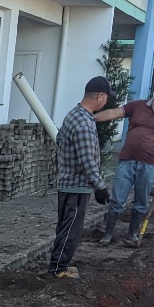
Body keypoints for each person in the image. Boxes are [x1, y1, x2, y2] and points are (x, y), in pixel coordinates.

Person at [95, 81, 154, 247]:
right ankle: (107, 234)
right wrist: (91, 117)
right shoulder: (138, 106)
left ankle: (132, 234)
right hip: (127, 160)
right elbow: (114, 113)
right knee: (117, 199)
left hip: (149, 164)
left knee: (141, 201)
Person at [46, 76, 112, 279]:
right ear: (100, 96)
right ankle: (58, 269)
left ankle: (60, 264)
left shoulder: (73, 115)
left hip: (68, 183)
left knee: (65, 226)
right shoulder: (84, 123)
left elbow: (60, 140)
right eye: (106, 98)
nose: (106, 102)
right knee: (71, 229)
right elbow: (87, 160)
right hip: (76, 186)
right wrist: (99, 186)